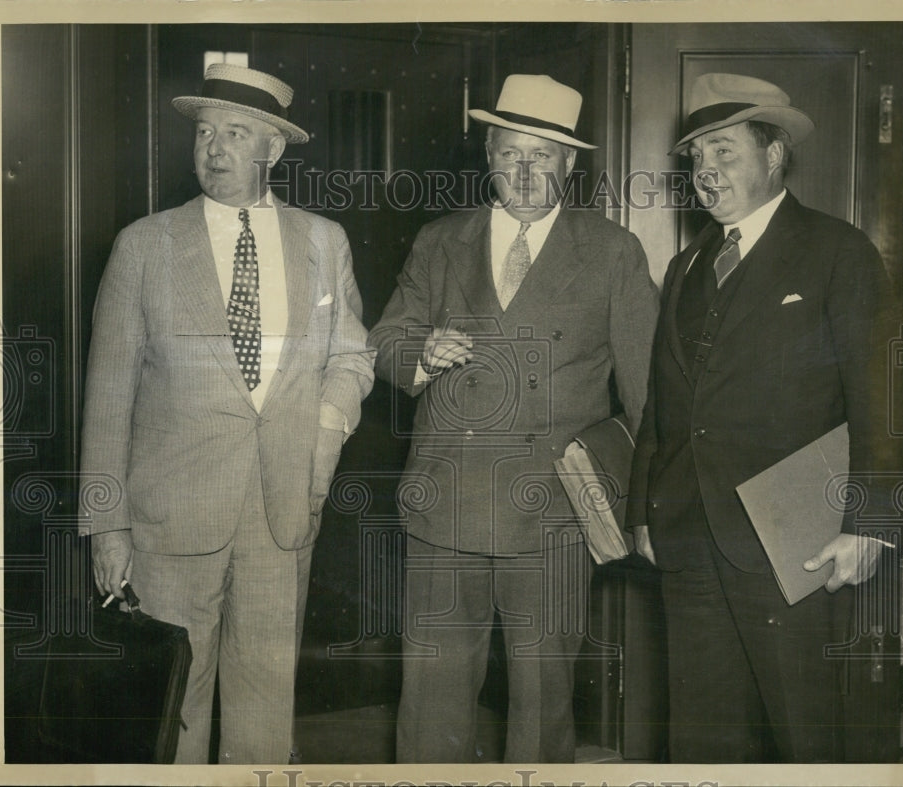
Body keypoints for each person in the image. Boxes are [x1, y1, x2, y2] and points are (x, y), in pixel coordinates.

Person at [80, 63, 375, 764]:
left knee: (267, 706)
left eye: (236, 133)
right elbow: (108, 395)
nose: (214, 149)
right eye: (205, 132)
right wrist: (106, 525)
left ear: (273, 147)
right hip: (170, 516)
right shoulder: (144, 244)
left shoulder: (322, 240)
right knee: (172, 707)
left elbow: (352, 357)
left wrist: (323, 438)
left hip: (283, 509)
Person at [626, 72, 903, 762]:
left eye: (724, 151)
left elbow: (887, 402)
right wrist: (643, 511)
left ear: (775, 153)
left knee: (806, 738)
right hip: (690, 540)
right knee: (702, 741)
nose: (706, 170)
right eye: (697, 156)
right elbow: (663, 405)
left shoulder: (837, 252)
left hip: (797, 543)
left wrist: (870, 526)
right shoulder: (686, 266)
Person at [370, 74, 659, 763]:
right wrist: (420, 352)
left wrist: (646, 507)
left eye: (543, 156)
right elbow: (383, 340)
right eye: (510, 154)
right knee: (431, 704)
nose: (525, 172)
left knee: (542, 705)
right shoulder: (441, 239)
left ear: (570, 164)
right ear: (488, 157)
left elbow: (648, 395)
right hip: (445, 503)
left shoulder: (612, 250)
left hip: (552, 513)